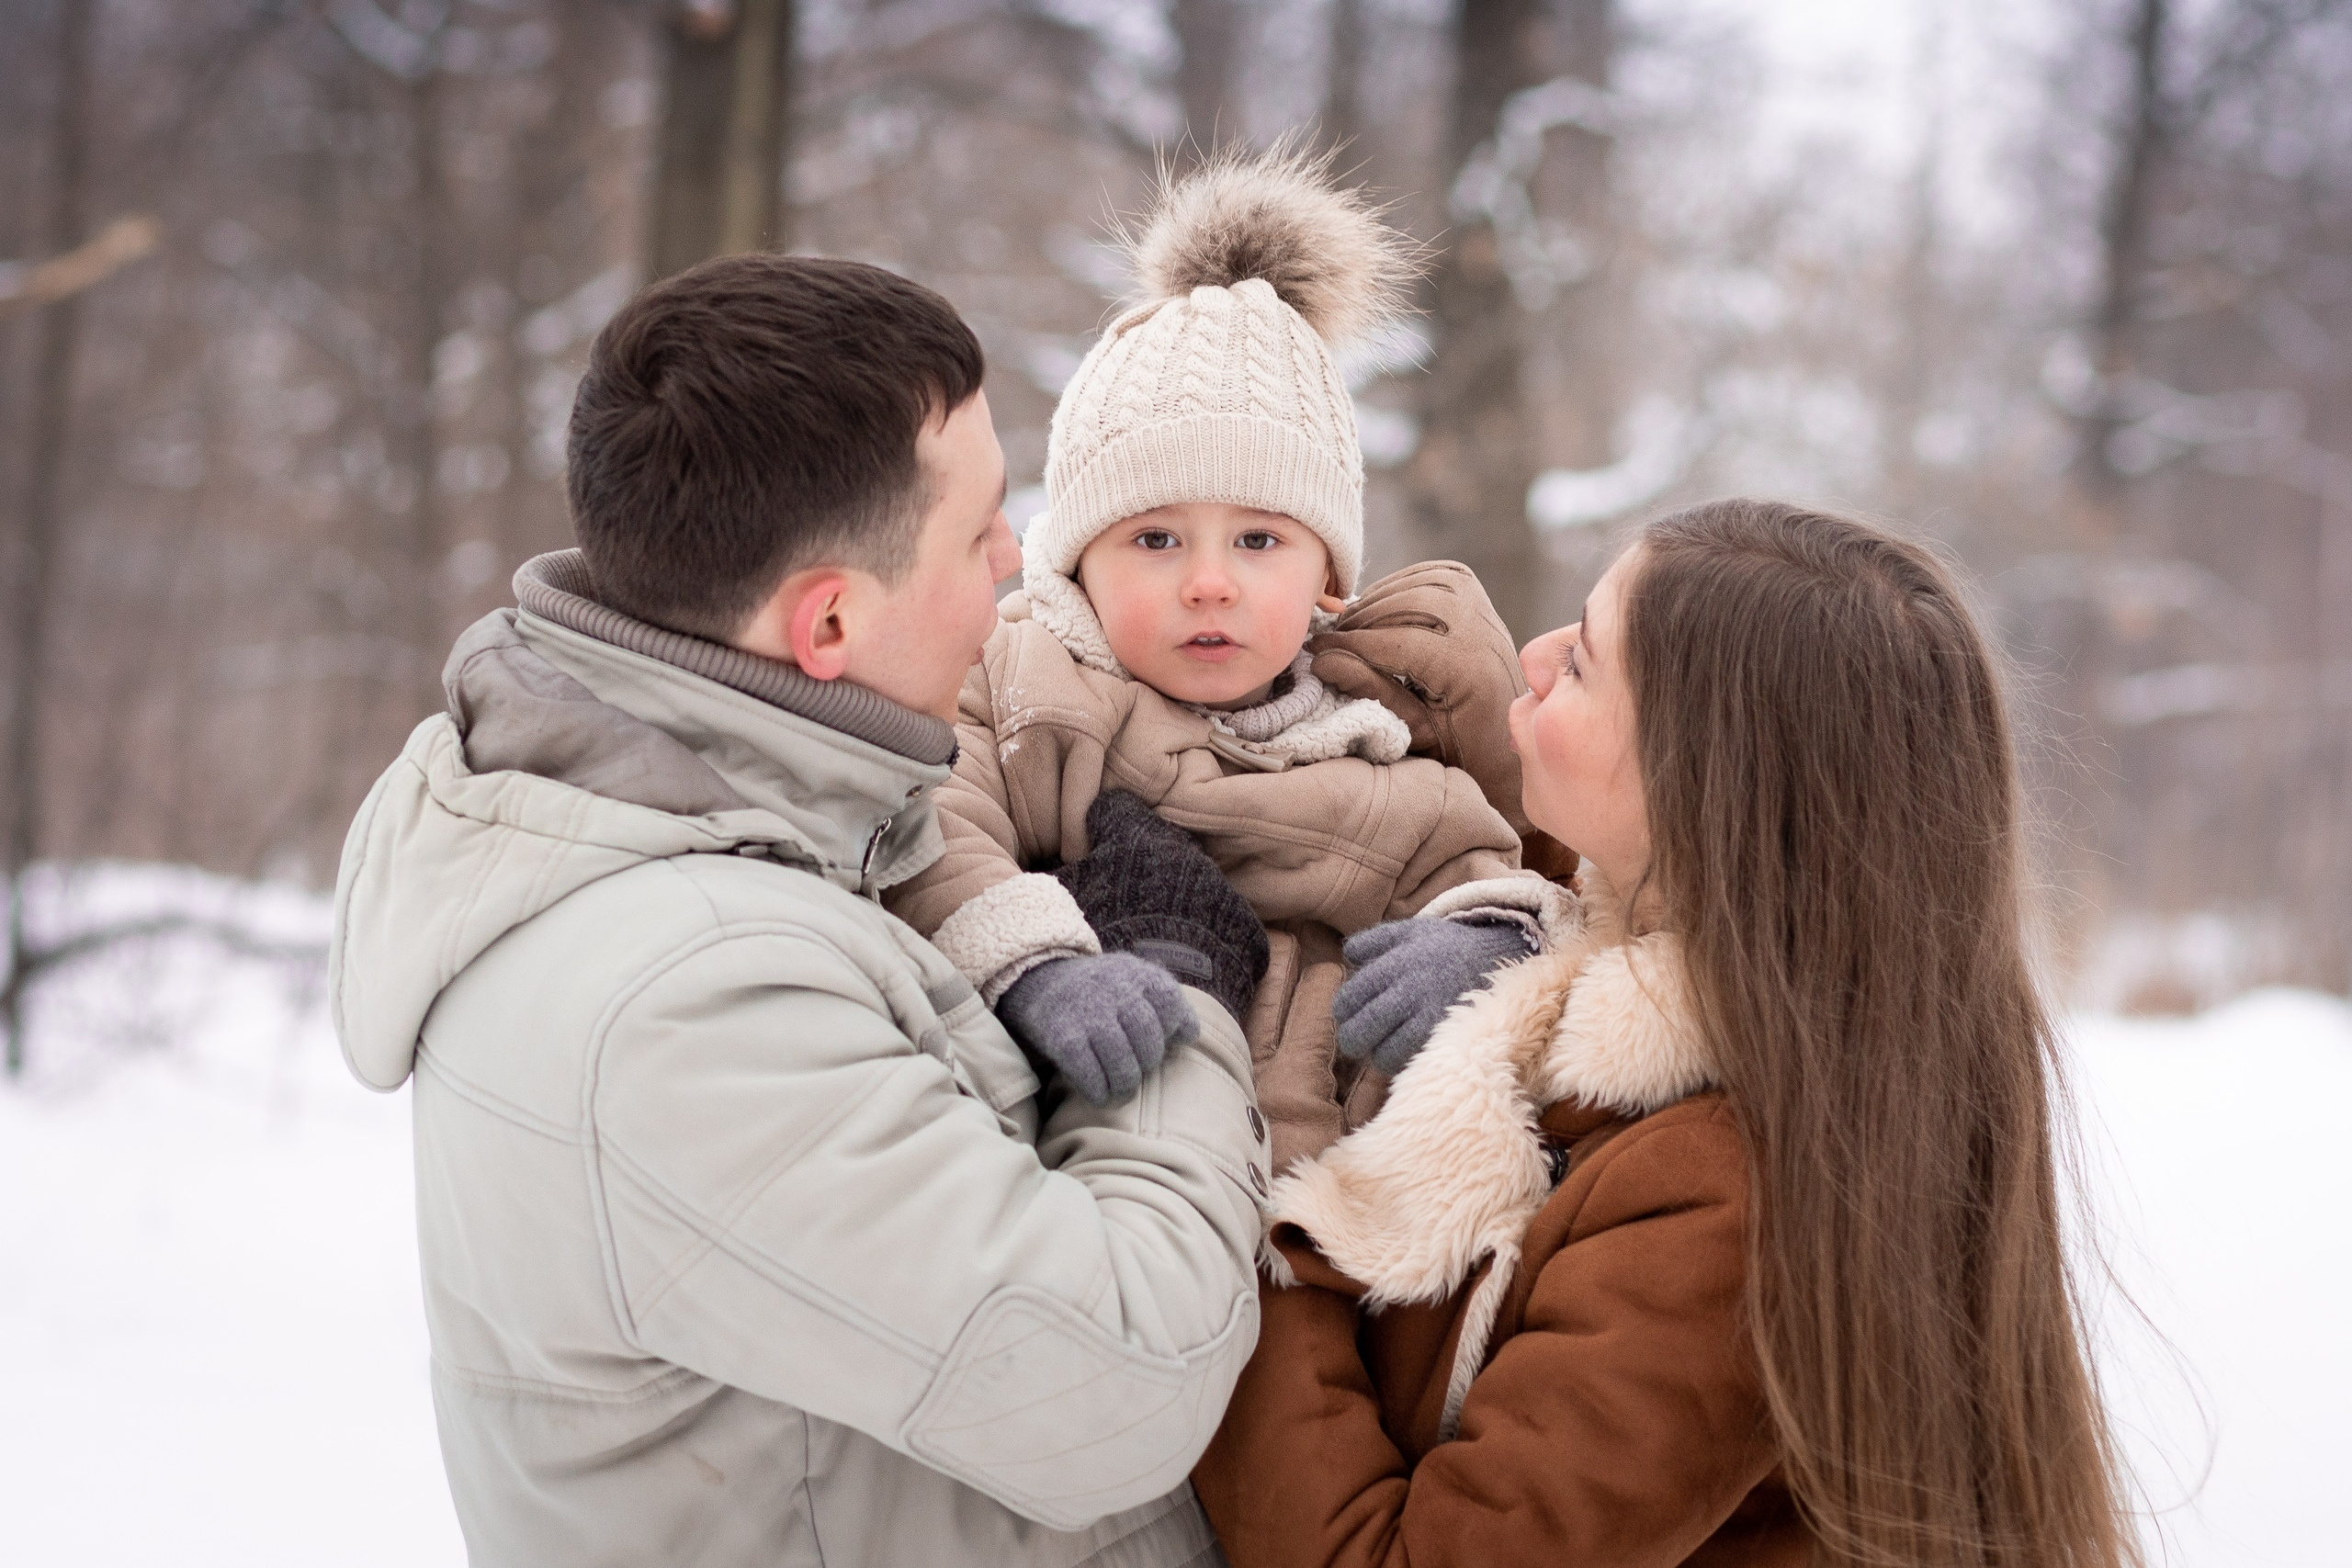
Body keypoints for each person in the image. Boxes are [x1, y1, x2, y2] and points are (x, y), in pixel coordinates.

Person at [328, 254, 1275, 1567]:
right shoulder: (690, 999)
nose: (1018, 564)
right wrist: (1172, 1000)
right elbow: (1120, 1380)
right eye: (981, 532)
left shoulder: (736, 837)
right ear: (828, 620)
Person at [1194, 499, 2143, 1568]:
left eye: (1587, 664)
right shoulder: (1620, 951)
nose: (1536, 654)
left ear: (1704, 789)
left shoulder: (1725, 1199)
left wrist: (1250, 1217)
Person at [886, 146, 1578, 1176]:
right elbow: (938, 820)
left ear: (1327, 581)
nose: (1208, 584)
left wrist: (1486, 946)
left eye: (1258, 542)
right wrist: (1037, 966)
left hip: (1331, 1162)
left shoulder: (1373, 739)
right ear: (1075, 558)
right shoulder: (1023, 675)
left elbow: (1486, 867)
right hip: (1094, 1128)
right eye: (1155, 540)